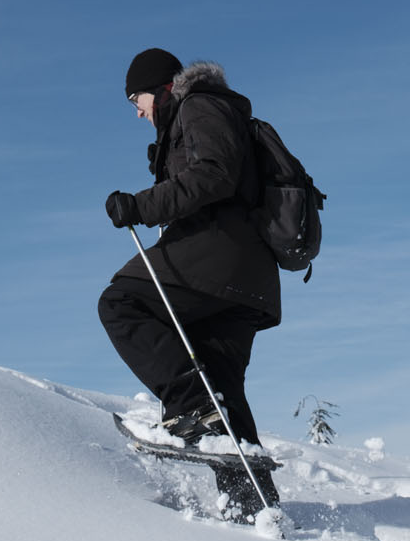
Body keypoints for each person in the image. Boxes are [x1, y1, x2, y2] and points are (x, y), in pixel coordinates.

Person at [98, 47, 280, 446]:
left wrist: (140, 205)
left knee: (121, 302)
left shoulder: (198, 106)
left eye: (136, 100)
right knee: (222, 391)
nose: (138, 112)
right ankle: (254, 507)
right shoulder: (205, 112)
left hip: (219, 259)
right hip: (247, 278)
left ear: (161, 88)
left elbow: (215, 174)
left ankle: (191, 405)